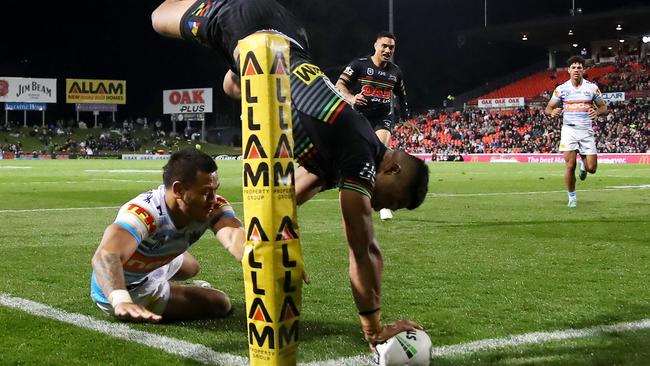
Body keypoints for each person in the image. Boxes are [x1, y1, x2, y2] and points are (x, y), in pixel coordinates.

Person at [151, 0, 429, 346]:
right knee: (158, 18)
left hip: (287, 42)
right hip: (253, 26)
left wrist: (279, 252)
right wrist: (373, 329)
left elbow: (283, 198)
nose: (382, 205)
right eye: (395, 199)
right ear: (394, 167)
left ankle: (238, 58)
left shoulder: (340, 158)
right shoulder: (361, 161)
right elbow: (364, 247)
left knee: (234, 87)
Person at [90, 148, 245, 322]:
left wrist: (255, 256)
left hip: (152, 261)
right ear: (178, 190)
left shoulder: (213, 208)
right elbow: (105, 256)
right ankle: (161, 290)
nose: (214, 200)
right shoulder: (144, 214)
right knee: (219, 303)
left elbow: (234, 238)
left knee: (192, 267)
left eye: (215, 190)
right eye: (205, 192)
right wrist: (120, 299)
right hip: (130, 287)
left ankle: (166, 283)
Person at [336, 31, 410, 220]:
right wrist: (352, 98)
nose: (387, 50)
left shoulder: (395, 72)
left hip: (382, 119)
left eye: (391, 47)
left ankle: (383, 203)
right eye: (384, 46)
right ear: (375, 46)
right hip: (359, 118)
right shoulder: (359, 65)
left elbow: (401, 96)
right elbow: (339, 86)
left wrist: (406, 117)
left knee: (381, 155)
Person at [545, 56, 607, 208]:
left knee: (592, 168)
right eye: (573, 67)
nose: (576, 70)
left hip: (586, 131)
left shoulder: (592, 88)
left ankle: (583, 166)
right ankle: (572, 197)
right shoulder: (561, 89)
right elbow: (548, 108)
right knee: (569, 165)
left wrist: (597, 112)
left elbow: (603, 107)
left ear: (584, 70)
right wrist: (552, 113)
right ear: (568, 70)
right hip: (569, 130)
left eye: (579, 67)